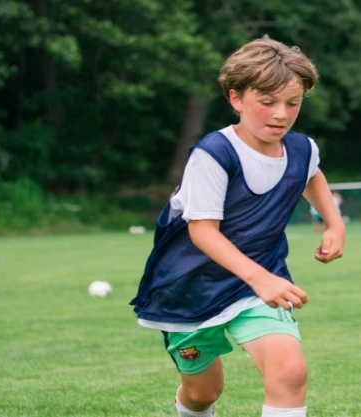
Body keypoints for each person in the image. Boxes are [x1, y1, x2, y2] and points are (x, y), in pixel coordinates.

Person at [129, 36, 346, 417]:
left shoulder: (301, 148)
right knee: (203, 393)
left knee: (290, 370)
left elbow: (312, 176)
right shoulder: (214, 155)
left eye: (292, 104)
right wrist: (260, 278)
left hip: (256, 284)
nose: (281, 114)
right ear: (236, 99)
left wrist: (334, 224)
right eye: (267, 102)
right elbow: (202, 231)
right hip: (189, 290)